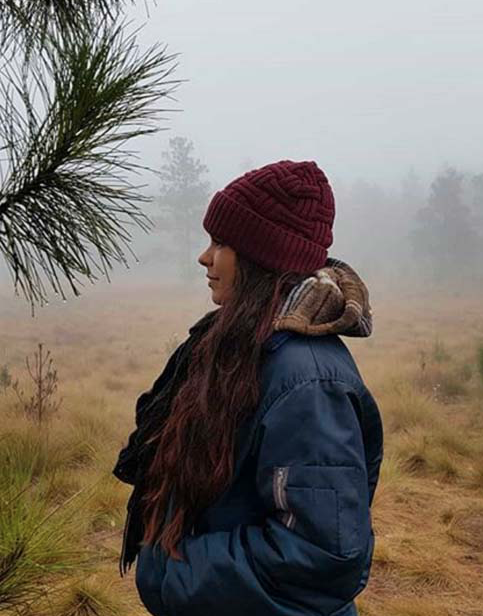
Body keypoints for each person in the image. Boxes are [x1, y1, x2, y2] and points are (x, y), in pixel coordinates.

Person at [113, 160, 383, 616]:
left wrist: (172, 570)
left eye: (220, 242)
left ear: (260, 258)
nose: (205, 257)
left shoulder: (306, 380)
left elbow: (320, 553)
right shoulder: (239, 349)